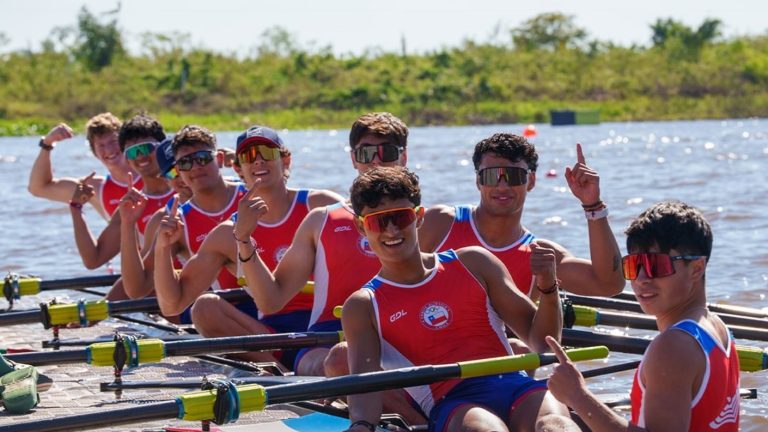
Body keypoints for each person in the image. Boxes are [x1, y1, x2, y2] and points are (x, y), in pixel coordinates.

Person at [342, 166, 579, 432]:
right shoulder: (363, 305)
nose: (391, 230)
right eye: (378, 221)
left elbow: (543, 344)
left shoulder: (474, 262)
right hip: (454, 402)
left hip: (515, 385)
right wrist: (361, 425)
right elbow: (365, 383)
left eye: (401, 217)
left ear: (419, 217)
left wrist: (548, 288)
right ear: (361, 227)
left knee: (557, 425)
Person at [152, 125, 343, 367]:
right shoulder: (225, 234)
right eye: (249, 157)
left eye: (267, 152)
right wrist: (161, 248)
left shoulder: (322, 205)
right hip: (276, 335)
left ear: (285, 159)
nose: (258, 162)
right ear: (237, 168)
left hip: (331, 324)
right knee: (204, 307)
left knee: (338, 359)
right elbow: (172, 304)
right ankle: (277, 372)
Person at [237, 112, 409, 376]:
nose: (376, 162)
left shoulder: (425, 221)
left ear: (403, 157)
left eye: (386, 152)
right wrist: (245, 239)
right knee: (342, 360)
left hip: (402, 334)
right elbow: (271, 301)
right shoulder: (321, 220)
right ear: (353, 159)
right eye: (365, 153)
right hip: (329, 339)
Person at [546, 201, 740, 432]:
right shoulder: (717, 328)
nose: (641, 279)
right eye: (634, 265)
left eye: (655, 266)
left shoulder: (673, 347)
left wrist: (579, 397)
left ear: (697, 268)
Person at [420, 134, 624, 299]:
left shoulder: (541, 256)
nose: (502, 186)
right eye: (491, 175)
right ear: (478, 181)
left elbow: (608, 285)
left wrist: (593, 205)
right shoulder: (439, 223)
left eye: (514, 176)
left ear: (531, 181)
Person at [67, 114, 173, 270]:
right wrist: (76, 208)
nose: (141, 156)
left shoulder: (189, 186)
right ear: (127, 159)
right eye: (132, 152)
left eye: (146, 148)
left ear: (163, 147)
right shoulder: (130, 206)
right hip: (157, 285)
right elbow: (93, 260)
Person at [27, 113, 139, 219]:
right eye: (101, 145)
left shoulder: (151, 174)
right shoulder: (95, 188)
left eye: (113, 141)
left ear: (125, 143)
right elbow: (38, 188)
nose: (109, 150)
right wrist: (47, 144)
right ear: (95, 153)